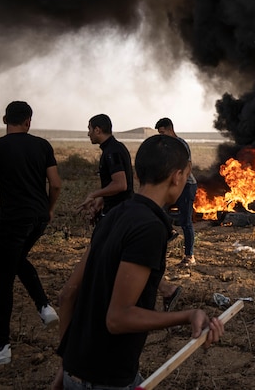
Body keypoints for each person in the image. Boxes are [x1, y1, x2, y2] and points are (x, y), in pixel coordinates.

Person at [52, 135, 225, 390]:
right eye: (186, 175)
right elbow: (118, 318)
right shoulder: (149, 228)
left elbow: (68, 294)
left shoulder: (113, 215)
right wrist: (188, 315)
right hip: (107, 379)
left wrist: (67, 365)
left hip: (76, 372)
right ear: (177, 177)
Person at [0, 101, 63, 367]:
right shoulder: (43, 145)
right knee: (17, 259)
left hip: (12, 220)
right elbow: (55, 184)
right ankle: (44, 306)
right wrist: (49, 209)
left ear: (4, 119)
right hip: (38, 219)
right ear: (29, 121)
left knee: (2, 280)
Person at [79, 114, 182, 311]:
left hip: (119, 213)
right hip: (118, 210)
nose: (88, 133)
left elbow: (121, 184)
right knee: (123, 257)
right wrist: (102, 199)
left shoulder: (112, 152)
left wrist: (95, 194)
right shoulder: (113, 149)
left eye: (90, 129)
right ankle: (167, 289)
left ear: (98, 130)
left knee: (105, 254)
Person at [155, 117, 198, 267]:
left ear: (170, 129)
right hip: (173, 186)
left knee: (186, 222)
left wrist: (179, 183)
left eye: (163, 132)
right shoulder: (166, 146)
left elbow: (188, 167)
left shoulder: (180, 145)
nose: (161, 135)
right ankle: (170, 232)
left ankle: (189, 256)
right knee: (159, 210)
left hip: (186, 186)